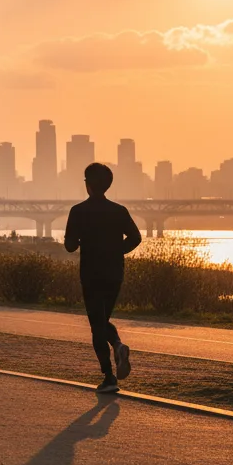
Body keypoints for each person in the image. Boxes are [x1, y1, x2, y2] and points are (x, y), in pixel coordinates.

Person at [64, 162, 142, 393]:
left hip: (91, 274)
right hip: (114, 273)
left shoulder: (78, 211)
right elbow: (136, 238)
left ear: (88, 185)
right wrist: (116, 250)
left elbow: (69, 246)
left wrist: (79, 241)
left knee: (97, 325)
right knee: (102, 320)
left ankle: (109, 377)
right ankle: (117, 347)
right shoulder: (119, 211)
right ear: (108, 185)